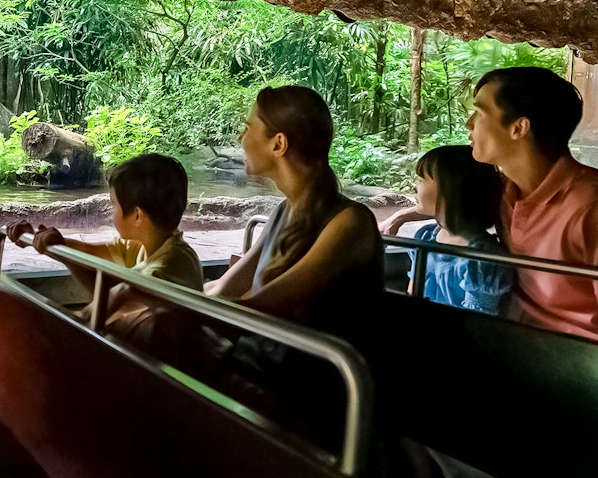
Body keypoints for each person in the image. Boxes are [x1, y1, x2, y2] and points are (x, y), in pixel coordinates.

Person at [383, 67, 598, 340]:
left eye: (481, 112)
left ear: (518, 127)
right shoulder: (503, 190)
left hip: (568, 361)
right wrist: (404, 215)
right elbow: (450, 198)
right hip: (508, 340)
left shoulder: (590, 207)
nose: (469, 123)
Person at [205, 85, 383, 346]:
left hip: (307, 380)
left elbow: (262, 306)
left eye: (248, 128)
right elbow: (223, 288)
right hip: (266, 367)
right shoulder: (284, 211)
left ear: (279, 144)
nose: (240, 139)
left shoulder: (350, 223)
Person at [6, 153, 203, 342]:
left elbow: (116, 297)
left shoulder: (175, 263)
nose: (111, 212)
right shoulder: (142, 245)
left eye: (113, 205)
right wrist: (39, 239)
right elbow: (88, 254)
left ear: (137, 216)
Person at [407, 145, 513, 315]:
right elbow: (411, 295)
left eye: (421, 180)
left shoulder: (482, 259)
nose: (414, 188)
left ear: (449, 189)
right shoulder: (425, 237)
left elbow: (475, 324)